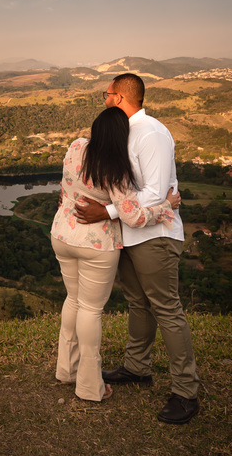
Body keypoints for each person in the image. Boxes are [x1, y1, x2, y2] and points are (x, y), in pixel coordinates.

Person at [73, 73, 201, 424]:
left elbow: (157, 194)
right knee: (137, 302)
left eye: (106, 93)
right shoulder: (123, 134)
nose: (103, 98)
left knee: (166, 309)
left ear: (119, 96)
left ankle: (186, 393)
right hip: (128, 235)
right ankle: (137, 367)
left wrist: (108, 210)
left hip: (155, 236)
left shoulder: (152, 134)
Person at [51, 106, 180, 402]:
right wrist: (167, 206)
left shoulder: (75, 147)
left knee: (73, 299)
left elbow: (66, 185)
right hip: (96, 244)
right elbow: (132, 217)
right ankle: (88, 385)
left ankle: (66, 369)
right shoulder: (114, 168)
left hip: (62, 234)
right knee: (91, 310)